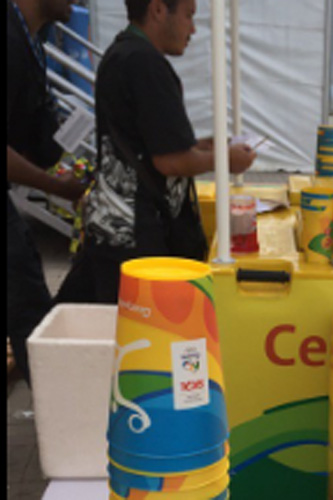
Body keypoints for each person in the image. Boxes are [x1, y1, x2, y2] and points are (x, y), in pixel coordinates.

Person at [55, 0, 256, 305]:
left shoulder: (120, 54)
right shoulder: (145, 64)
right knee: (135, 322)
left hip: (111, 225)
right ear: (158, 10)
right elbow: (171, 161)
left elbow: (148, 144)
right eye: (188, 15)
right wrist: (227, 159)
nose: (193, 29)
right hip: (137, 233)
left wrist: (204, 146)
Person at [6, 0, 88, 384]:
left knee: (27, 294)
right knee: (27, 300)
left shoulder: (32, 41)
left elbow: (39, 137)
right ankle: (55, 398)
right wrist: (56, 186)